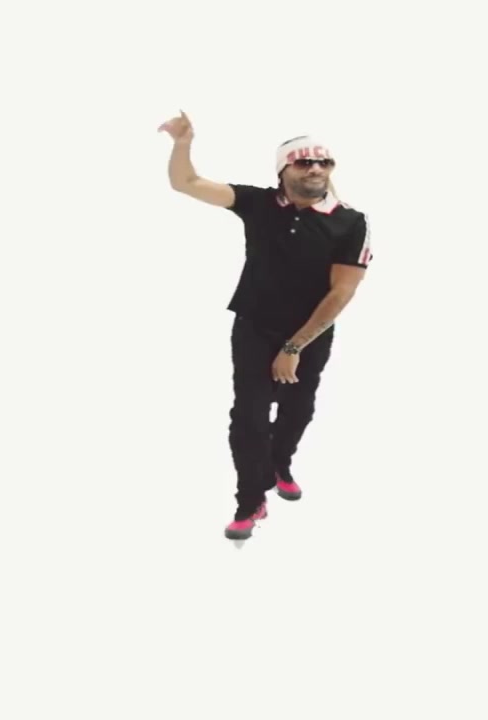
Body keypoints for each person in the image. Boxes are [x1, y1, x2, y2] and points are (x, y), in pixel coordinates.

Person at [158, 110, 373, 540]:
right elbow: (187, 183)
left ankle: (279, 464)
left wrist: (294, 348)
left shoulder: (351, 221)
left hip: (310, 334)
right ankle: (250, 498)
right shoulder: (257, 203)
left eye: (324, 162)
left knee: (298, 410)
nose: (315, 168)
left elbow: (341, 292)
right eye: (304, 162)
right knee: (249, 416)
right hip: (254, 327)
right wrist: (183, 145)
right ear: (283, 170)